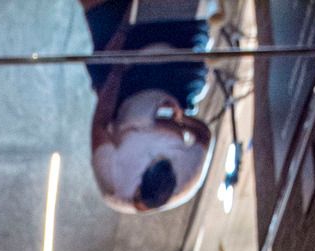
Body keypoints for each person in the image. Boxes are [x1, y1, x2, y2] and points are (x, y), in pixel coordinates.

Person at [81, 2, 219, 215]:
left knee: (103, 28)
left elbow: (100, 123)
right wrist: (180, 120)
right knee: (192, 29)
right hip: (176, 87)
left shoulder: (113, 186)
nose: (155, 155)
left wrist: (116, 70)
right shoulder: (186, 182)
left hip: (128, 89)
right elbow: (204, 135)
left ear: (138, 184)